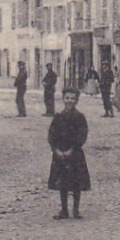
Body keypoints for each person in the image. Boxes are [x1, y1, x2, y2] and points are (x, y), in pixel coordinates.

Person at [47, 88, 91, 219]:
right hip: (60, 153)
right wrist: (56, 149)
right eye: (67, 98)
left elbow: (82, 135)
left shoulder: (80, 117)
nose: (69, 101)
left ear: (76, 100)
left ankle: (76, 210)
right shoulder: (58, 117)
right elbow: (52, 134)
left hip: (75, 154)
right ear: (63, 99)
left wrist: (72, 149)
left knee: (76, 183)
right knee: (63, 182)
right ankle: (64, 210)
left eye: (72, 98)